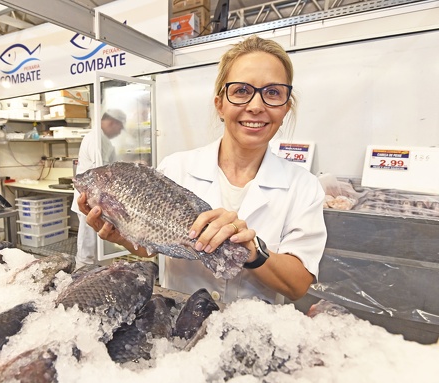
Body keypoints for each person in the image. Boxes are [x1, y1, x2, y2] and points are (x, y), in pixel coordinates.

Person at [77, 36, 327, 304]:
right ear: (220, 104)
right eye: (241, 91)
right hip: (179, 329)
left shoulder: (304, 186)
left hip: (255, 336)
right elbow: (152, 249)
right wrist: (124, 237)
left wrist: (254, 252)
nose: (256, 106)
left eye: (273, 93)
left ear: (285, 109)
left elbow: (298, 285)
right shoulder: (176, 168)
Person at [71, 109, 127, 269]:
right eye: (120, 128)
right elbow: (102, 175)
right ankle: (81, 281)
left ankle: (100, 278)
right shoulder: (97, 140)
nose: (120, 132)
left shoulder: (102, 140)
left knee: (102, 247)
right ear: (111, 123)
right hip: (90, 203)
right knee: (88, 250)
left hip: (99, 203)